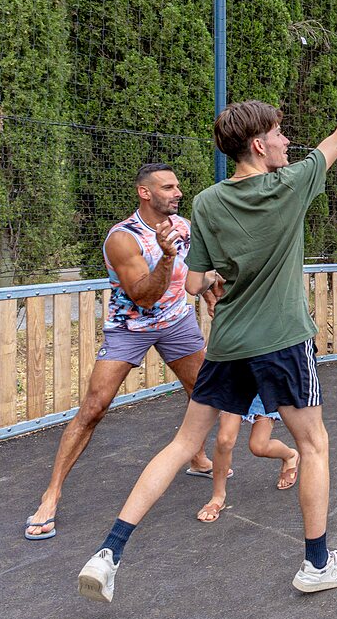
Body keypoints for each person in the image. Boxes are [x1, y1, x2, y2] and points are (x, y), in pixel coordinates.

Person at [76, 74, 337, 602]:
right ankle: (316, 564)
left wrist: (205, 268)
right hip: (282, 340)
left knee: (183, 444)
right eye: (278, 133)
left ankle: (108, 553)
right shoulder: (290, 184)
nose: (286, 140)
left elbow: (193, 283)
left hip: (228, 343)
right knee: (313, 445)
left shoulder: (207, 202)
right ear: (258, 144)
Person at [23, 163, 222, 541]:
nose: (178, 193)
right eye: (168, 187)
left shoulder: (184, 227)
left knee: (203, 392)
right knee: (94, 408)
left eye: (177, 186)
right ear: (145, 193)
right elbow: (144, 296)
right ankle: (51, 496)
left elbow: (197, 269)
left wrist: (210, 292)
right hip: (130, 327)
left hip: (176, 322)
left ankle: (196, 456)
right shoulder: (123, 238)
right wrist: (165, 257)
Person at [193, 395, 300, 524]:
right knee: (224, 440)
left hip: (263, 389)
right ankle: (218, 497)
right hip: (234, 386)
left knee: (259, 447)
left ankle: (290, 456)